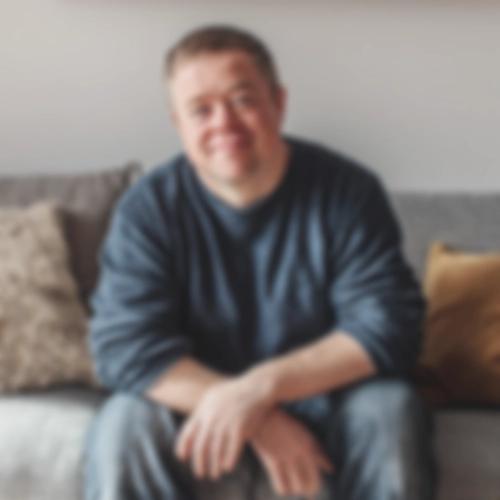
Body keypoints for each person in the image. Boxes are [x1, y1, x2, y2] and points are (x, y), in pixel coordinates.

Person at [84, 24, 436, 500]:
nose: (224, 123)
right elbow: (124, 347)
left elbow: (389, 326)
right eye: (201, 109)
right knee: (124, 422)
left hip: (330, 400)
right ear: (179, 124)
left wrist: (260, 389)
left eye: (242, 99)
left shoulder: (348, 192)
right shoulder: (148, 209)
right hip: (194, 409)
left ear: (279, 102)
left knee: (389, 409)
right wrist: (252, 412)